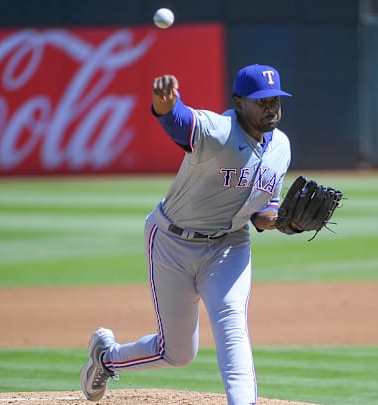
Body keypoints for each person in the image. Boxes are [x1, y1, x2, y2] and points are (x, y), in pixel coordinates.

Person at [80, 64, 294, 405]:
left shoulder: (281, 147)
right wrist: (165, 104)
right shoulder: (217, 131)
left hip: (229, 246)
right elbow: (178, 122)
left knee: (232, 324)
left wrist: (284, 221)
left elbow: (263, 212)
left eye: (274, 99)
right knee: (177, 353)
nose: (270, 106)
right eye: (260, 100)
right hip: (171, 243)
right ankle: (105, 358)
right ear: (238, 103)